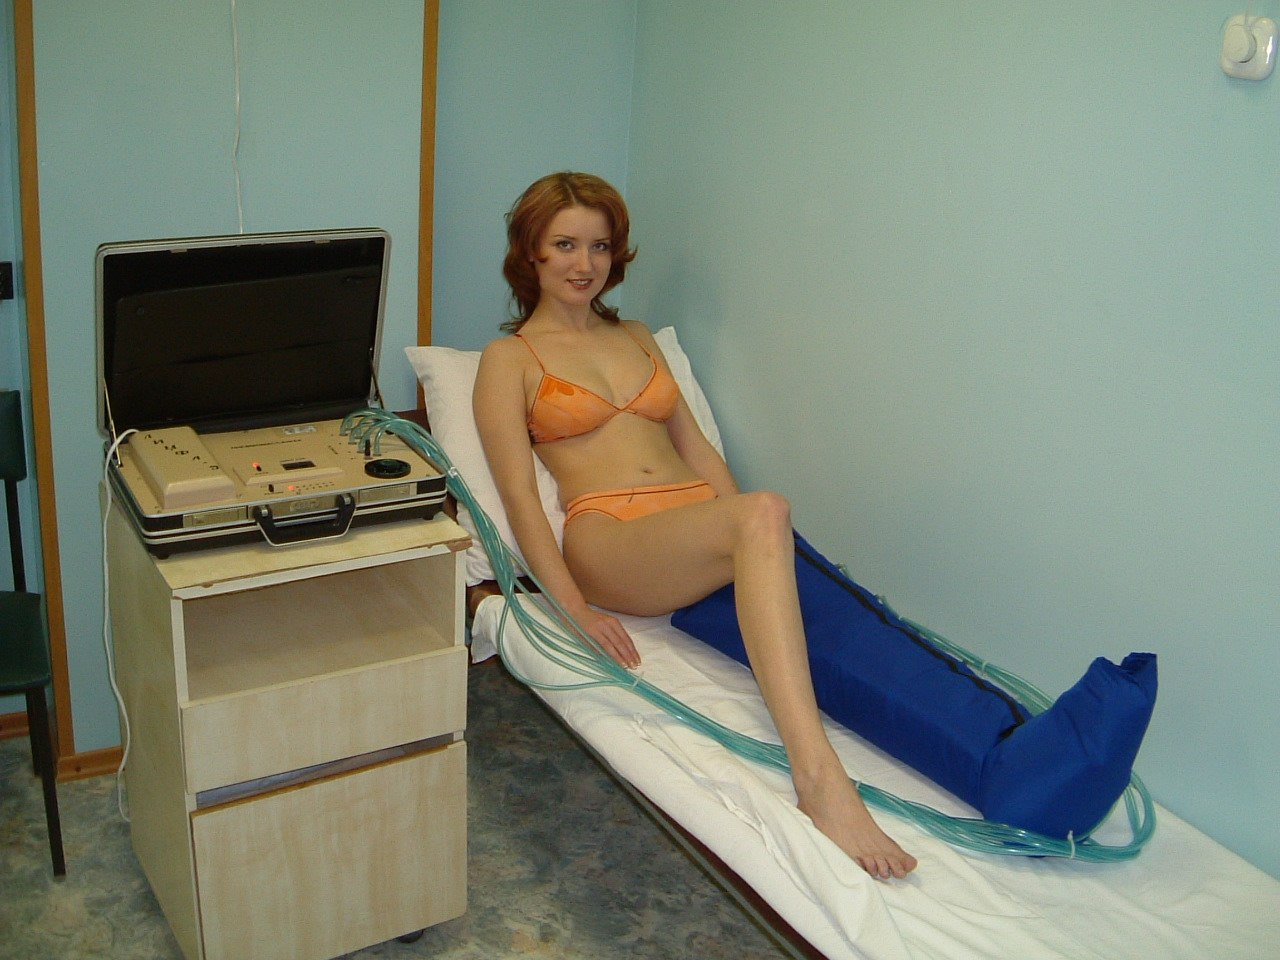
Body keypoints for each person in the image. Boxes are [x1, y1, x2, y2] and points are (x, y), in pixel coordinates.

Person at [473, 171, 917, 881]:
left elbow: (699, 450)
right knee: (766, 509)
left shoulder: (638, 337)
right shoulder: (507, 360)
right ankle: (820, 780)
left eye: (599, 246)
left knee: (767, 519)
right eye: (564, 245)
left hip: (688, 525)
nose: (584, 264)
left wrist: (744, 541)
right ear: (531, 252)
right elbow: (521, 499)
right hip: (610, 538)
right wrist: (574, 608)